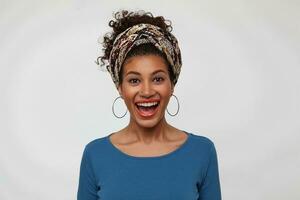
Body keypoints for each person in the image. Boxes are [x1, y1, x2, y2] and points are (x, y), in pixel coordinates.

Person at [77, 10, 222, 200]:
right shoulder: (95, 155)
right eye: (134, 80)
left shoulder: (202, 152)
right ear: (120, 87)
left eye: (158, 79)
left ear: (172, 84)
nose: (146, 92)